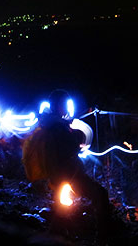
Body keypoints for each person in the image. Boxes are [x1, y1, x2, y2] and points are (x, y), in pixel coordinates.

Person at [22, 89, 113, 237]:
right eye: (64, 104)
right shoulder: (57, 127)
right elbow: (67, 148)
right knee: (100, 195)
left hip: (60, 174)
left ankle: (53, 236)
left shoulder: (51, 124)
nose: (66, 108)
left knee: (60, 212)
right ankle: (105, 237)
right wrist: (77, 140)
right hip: (68, 173)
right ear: (58, 105)